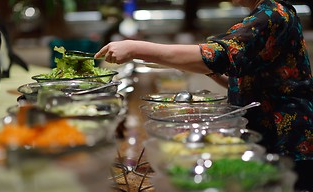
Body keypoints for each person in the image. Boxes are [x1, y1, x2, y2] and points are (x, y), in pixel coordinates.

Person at [95, 0, 313, 161]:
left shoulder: (273, 14)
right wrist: (207, 69)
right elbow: (244, 79)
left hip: (287, 140)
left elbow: (217, 55)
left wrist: (134, 48)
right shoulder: (265, 13)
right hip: (266, 135)